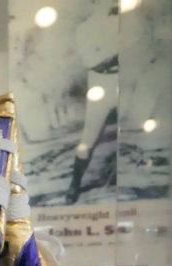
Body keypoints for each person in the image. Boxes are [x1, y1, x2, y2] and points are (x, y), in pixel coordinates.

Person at [66, 0, 118, 204]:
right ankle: (75, 183)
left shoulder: (121, 22)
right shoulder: (85, 29)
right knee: (88, 139)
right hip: (100, 82)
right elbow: (91, 61)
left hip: (124, 79)